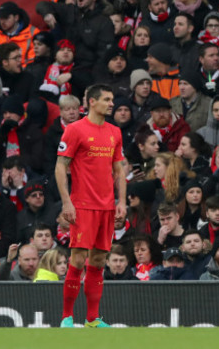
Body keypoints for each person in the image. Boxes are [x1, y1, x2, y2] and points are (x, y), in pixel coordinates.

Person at [55, 84, 126, 328]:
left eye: (112, 99)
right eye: (107, 99)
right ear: (92, 102)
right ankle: (66, 317)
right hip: (83, 205)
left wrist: (122, 202)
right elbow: (60, 166)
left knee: (97, 261)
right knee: (77, 260)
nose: (111, 103)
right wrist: (67, 202)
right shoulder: (75, 130)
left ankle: (92, 319)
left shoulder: (115, 132)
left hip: (106, 207)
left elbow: (119, 169)